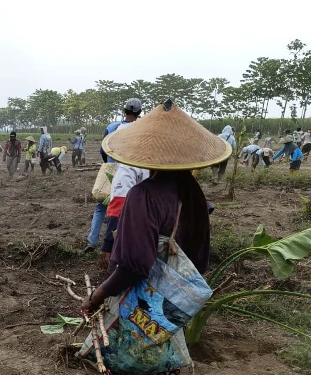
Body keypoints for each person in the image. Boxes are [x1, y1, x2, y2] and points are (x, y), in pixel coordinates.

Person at [79, 99, 228, 375]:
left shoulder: (144, 194)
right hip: (172, 298)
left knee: (131, 357)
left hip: (143, 294)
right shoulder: (193, 193)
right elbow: (200, 253)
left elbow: (136, 265)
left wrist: (97, 296)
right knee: (165, 355)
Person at [85, 98, 142, 253]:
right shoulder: (142, 128)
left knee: (101, 207)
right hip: (132, 174)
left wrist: (108, 164)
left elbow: (103, 150)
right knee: (129, 209)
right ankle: (124, 243)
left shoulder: (112, 127)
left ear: (124, 111)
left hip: (112, 170)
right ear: (140, 113)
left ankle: (92, 241)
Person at [99, 117, 149, 270]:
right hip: (156, 227)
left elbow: (118, 208)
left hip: (136, 228)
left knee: (121, 270)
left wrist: (107, 245)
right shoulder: (152, 160)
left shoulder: (127, 166)